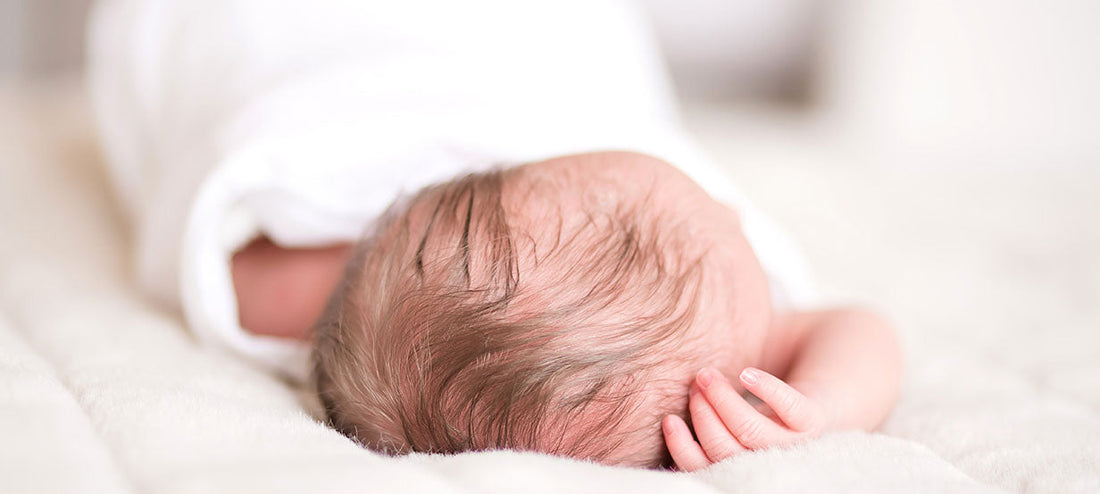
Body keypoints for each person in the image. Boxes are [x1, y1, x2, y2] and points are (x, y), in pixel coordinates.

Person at [89, 0, 901, 470]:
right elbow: (857, 331)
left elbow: (210, 215)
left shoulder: (299, 280)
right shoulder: (722, 342)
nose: (735, 212)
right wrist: (823, 408)